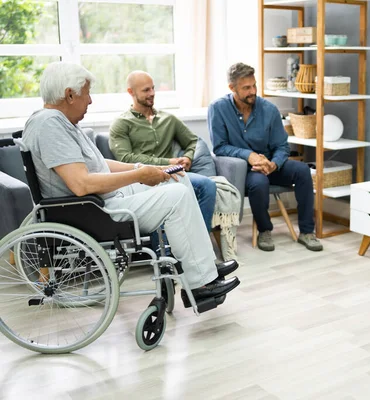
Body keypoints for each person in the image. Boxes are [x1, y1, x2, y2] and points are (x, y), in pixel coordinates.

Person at [20, 61, 240, 308]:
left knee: (179, 177)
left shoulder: (60, 122)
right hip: (93, 211)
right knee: (176, 196)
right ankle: (200, 286)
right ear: (70, 95)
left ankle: (206, 269)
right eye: (87, 94)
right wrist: (139, 176)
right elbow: (80, 184)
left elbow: (98, 164)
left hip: (101, 200)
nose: (90, 101)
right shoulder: (50, 125)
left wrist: (147, 170)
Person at [208, 62, 323, 252]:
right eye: (246, 88)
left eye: (254, 85)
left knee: (303, 171)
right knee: (259, 182)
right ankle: (264, 230)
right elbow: (220, 147)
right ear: (232, 88)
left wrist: (274, 164)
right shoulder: (218, 109)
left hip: (270, 163)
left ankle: (307, 231)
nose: (253, 91)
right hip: (245, 169)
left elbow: (281, 146)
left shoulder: (269, 109)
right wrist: (249, 156)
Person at [109, 71, 216, 233]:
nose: (152, 93)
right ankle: (168, 248)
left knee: (207, 185)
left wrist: (187, 157)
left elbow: (192, 141)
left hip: (172, 174)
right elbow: (125, 158)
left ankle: (200, 238)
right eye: (146, 90)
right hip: (142, 179)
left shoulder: (168, 119)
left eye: (152, 88)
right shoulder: (122, 123)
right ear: (131, 92)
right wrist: (167, 162)